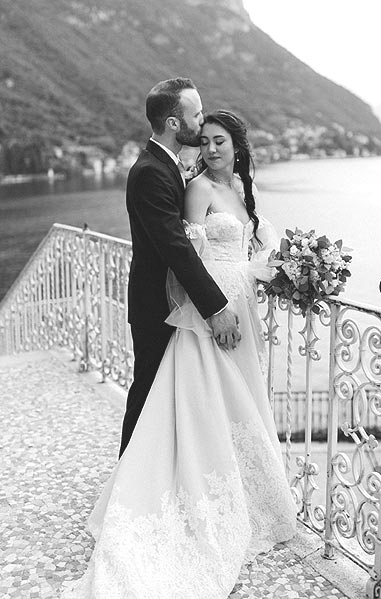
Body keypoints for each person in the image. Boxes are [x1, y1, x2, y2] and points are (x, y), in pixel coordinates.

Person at [61, 109, 297, 599]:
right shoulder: (198, 189)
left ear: (237, 146)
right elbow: (184, 252)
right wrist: (211, 308)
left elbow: (252, 241)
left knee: (240, 401)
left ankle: (243, 495)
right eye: (205, 140)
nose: (211, 149)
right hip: (211, 308)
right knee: (202, 402)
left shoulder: (241, 190)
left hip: (241, 305)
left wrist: (281, 265)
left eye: (219, 141)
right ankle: (191, 498)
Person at [119, 78, 241, 458]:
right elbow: (176, 247)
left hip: (171, 303)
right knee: (148, 393)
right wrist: (217, 308)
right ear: (173, 123)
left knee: (168, 396)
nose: (202, 121)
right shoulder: (151, 173)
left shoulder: (167, 166)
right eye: (196, 113)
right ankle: (127, 482)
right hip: (156, 306)